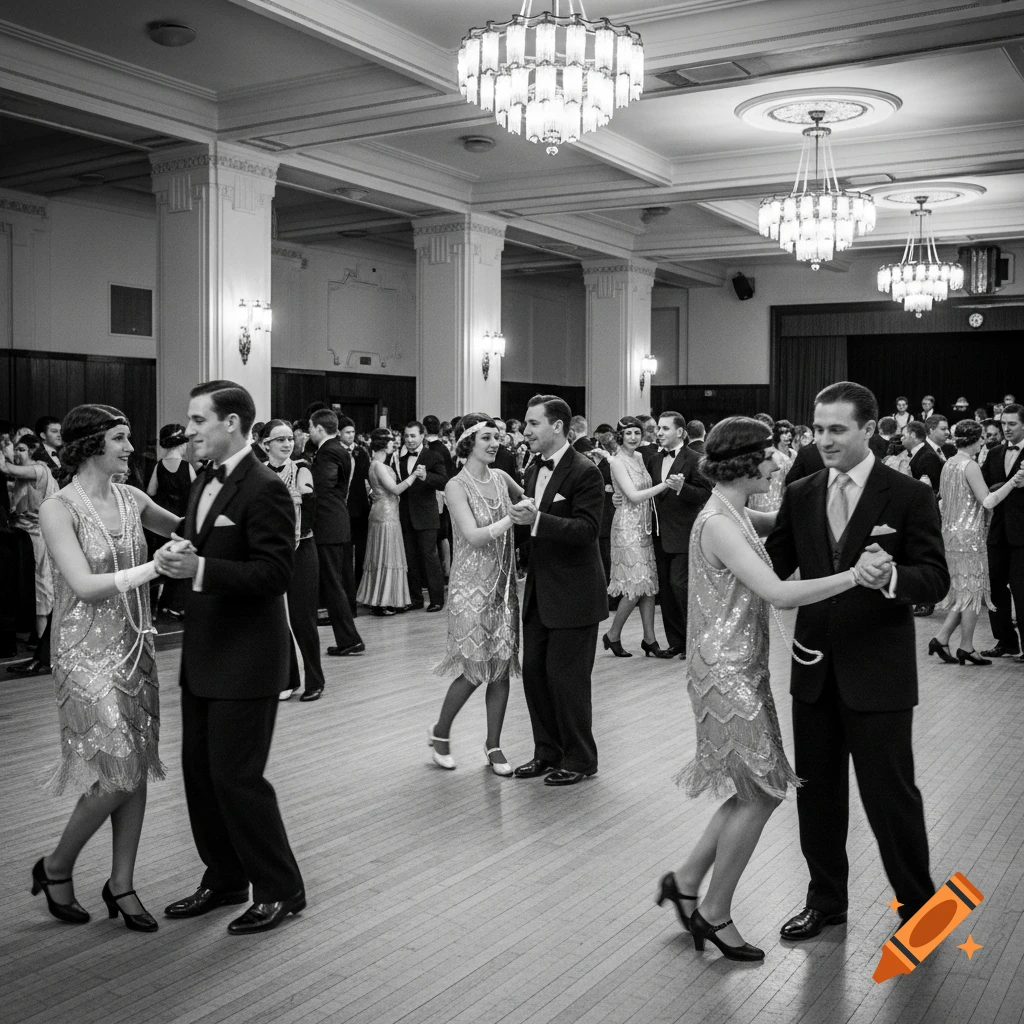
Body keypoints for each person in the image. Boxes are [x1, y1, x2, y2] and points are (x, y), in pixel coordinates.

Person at [660, 416, 883, 962]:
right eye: (767, 455)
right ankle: (714, 913)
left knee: (749, 789)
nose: (775, 462)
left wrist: (857, 511)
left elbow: (790, 522)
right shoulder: (718, 522)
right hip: (725, 674)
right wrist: (856, 574)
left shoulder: (734, 510)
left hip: (741, 667)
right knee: (762, 791)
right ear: (742, 461)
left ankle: (686, 881)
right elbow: (777, 593)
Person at [766, 381, 948, 941]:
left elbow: (936, 578)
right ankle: (825, 900)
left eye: (836, 429)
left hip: (880, 671)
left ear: (869, 430)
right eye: (818, 429)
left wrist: (892, 576)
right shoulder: (801, 493)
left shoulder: (907, 495)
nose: (823, 439)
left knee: (890, 793)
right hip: (814, 667)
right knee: (816, 793)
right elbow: (773, 564)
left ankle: (920, 907)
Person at [157, 380, 305, 935]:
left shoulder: (264, 486)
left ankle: (281, 888)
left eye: (198, 420)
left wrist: (198, 570)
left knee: (238, 777)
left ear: (232, 424)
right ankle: (223, 878)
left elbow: (275, 573)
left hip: (247, 658)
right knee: (201, 775)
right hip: (203, 653)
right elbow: (204, 543)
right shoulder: (202, 481)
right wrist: (183, 551)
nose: (189, 431)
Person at [34, 404, 184, 931]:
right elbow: (82, 584)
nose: (129, 447)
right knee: (118, 768)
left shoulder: (132, 497)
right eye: (120, 438)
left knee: (134, 766)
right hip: (83, 654)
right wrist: (155, 565)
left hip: (136, 648)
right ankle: (55, 865)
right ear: (91, 443)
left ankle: (121, 883)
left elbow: (191, 529)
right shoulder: (60, 508)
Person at [510, 395, 607, 786]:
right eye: (525, 424)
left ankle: (581, 758)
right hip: (539, 592)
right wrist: (520, 523)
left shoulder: (586, 472)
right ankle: (547, 753)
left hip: (574, 595)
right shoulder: (534, 469)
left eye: (533, 424)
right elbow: (534, 526)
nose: (526, 431)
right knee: (535, 677)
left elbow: (587, 531)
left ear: (557, 426)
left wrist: (538, 521)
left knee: (568, 683)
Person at [429, 414, 523, 776]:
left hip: (503, 588)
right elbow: (473, 536)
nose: (495, 442)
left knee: (499, 670)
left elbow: (529, 499)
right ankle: (440, 734)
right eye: (487, 437)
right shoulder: (456, 485)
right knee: (473, 670)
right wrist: (512, 519)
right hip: (470, 589)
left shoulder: (501, 478)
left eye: (497, 437)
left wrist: (530, 507)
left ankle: (494, 744)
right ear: (468, 442)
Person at [930, 420, 1024, 666]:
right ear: (974, 439)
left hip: (950, 534)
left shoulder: (949, 463)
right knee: (972, 593)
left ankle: (941, 638)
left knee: (963, 591)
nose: (984, 442)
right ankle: (967, 647)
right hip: (969, 538)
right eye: (981, 438)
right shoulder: (969, 465)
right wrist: (1013, 482)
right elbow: (989, 501)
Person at [261, 419, 325, 702]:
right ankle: (286, 679)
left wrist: (293, 499)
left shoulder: (301, 468)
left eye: (289, 438)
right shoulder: (258, 473)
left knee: (302, 618)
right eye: (280, 440)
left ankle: (314, 680)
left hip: (302, 548)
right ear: (266, 445)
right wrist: (288, 500)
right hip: (270, 552)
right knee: (275, 619)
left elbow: (308, 499)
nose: (287, 444)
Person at [602, 417, 675, 658]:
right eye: (628, 433)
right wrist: (666, 485)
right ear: (619, 436)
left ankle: (649, 640)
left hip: (644, 526)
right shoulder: (616, 462)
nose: (633, 437)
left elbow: (633, 490)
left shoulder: (640, 457)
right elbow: (633, 496)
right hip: (626, 527)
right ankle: (612, 634)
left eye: (636, 433)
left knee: (649, 586)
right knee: (634, 586)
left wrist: (613, 492)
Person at [644, 411, 711, 658]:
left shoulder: (695, 458)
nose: (659, 433)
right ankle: (677, 642)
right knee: (667, 591)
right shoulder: (653, 459)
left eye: (665, 429)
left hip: (684, 533)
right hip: (659, 533)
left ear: (680, 432)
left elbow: (705, 494)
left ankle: (695, 640)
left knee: (679, 584)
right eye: (658, 429)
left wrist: (684, 488)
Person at [309, 409, 364, 657]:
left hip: (328, 524)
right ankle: (349, 639)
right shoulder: (338, 450)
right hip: (336, 521)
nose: (309, 432)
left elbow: (323, 488)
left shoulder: (328, 451)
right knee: (335, 583)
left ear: (320, 428)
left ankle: (350, 640)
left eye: (311, 427)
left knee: (333, 584)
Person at [1, 433, 58, 640]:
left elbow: (6, 469)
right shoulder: (28, 474)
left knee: (41, 583)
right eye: (16, 449)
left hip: (37, 536)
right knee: (32, 583)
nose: (17, 453)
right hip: (26, 535)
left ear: (33, 451)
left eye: (21, 449)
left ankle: (44, 640)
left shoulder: (38, 469)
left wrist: (3, 449)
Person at [981, 404, 1024, 660]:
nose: (1005, 429)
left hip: (1023, 536)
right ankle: (1006, 641)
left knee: (1021, 589)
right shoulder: (994, 452)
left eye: (1012, 424)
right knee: (994, 587)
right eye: (1003, 424)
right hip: (997, 533)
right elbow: (984, 486)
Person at [356, 428, 413, 615]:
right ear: (384, 444)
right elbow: (395, 489)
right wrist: (414, 476)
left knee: (383, 554)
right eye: (391, 442)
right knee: (385, 554)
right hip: (385, 513)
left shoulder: (377, 464)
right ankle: (382, 601)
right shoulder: (378, 465)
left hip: (385, 511)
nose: (394, 444)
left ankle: (386, 599)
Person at [395, 421, 447, 611]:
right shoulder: (398, 458)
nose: (409, 440)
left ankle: (437, 599)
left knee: (430, 557)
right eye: (406, 436)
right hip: (405, 514)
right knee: (410, 558)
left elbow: (443, 482)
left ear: (422, 436)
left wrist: (427, 477)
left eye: (413, 436)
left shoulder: (433, 456)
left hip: (426, 515)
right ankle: (416, 599)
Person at [146, 423, 196, 619]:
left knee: (159, 561)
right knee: (179, 559)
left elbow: (150, 492)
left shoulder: (159, 466)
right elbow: (193, 492)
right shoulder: (187, 466)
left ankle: (154, 608)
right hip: (181, 520)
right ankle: (174, 604)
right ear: (182, 444)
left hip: (161, 520)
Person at [904, 420, 942, 494]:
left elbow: (934, 488)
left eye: (904, 436)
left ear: (913, 435)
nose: (902, 439)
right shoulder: (920, 453)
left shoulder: (928, 457)